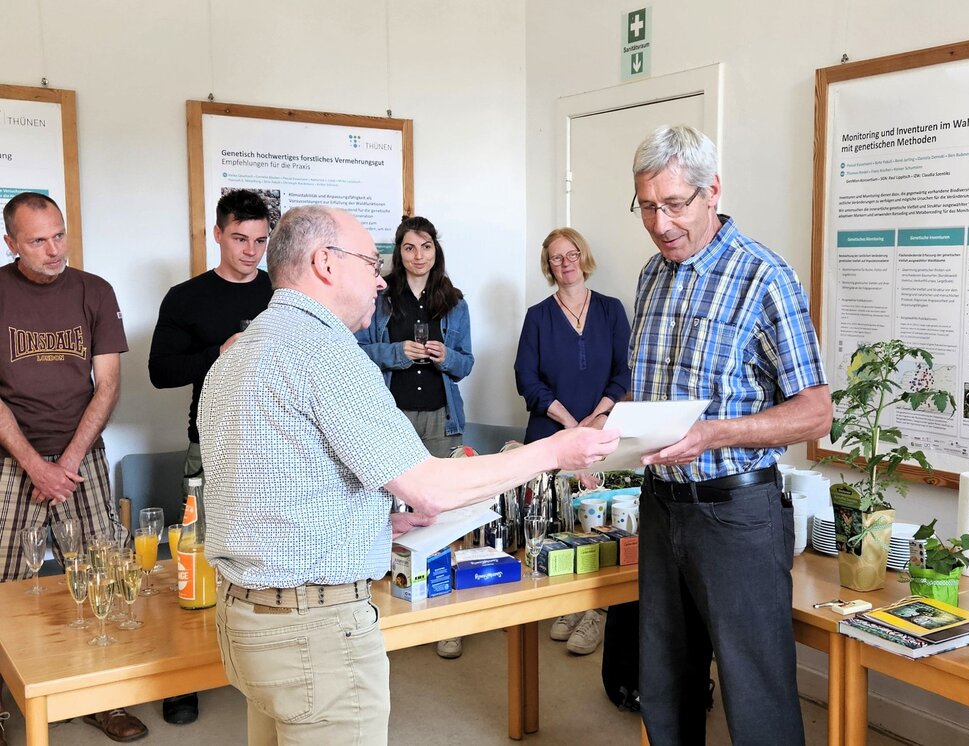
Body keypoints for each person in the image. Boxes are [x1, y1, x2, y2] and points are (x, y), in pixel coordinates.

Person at [198, 205, 619, 746]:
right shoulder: (327, 352)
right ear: (324, 263)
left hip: (247, 620)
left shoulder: (243, 349)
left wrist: (371, 519)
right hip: (314, 632)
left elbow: (275, 487)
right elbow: (432, 487)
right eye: (371, 263)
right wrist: (556, 450)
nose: (380, 279)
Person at [627, 125, 831, 745]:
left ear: (712, 190)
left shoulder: (766, 278)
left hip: (737, 515)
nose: (660, 224)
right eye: (646, 207)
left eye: (674, 204)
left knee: (755, 696)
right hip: (661, 509)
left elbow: (816, 413)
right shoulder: (650, 277)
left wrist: (716, 433)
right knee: (664, 689)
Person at [0, 192, 148, 744]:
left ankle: (103, 700)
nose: (53, 249)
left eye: (59, 235)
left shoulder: (94, 291)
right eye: (38, 240)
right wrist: (35, 465)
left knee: (99, 576)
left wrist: (64, 462)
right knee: (7, 587)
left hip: (79, 458)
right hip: (11, 459)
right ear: (11, 242)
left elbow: (107, 385)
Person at [148, 188, 273, 725]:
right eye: (240, 239)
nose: (251, 251)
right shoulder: (186, 297)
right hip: (213, 441)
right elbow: (160, 371)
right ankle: (184, 680)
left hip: (275, 442)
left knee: (268, 558)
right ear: (217, 234)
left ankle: (263, 667)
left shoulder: (283, 289)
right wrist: (217, 353)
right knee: (199, 558)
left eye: (261, 241)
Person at [355, 215, 473, 659]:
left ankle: (447, 617)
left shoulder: (455, 303)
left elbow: (467, 364)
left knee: (441, 513)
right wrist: (396, 353)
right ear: (398, 253)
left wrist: (447, 357)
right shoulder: (381, 298)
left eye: (426, 247)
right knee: (384, 510)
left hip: (442, 418)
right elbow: (359, 352)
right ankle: (385, 613)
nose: (418, 255)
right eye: (409, 247)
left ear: (435, 251)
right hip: (392, 415)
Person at [514, 227, 631, 655]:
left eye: (571, 254)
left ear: (584, 256)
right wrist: (568, 423)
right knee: (561, 528)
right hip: (551, 437)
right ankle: (567, 605)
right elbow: (526, 379)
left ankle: (595, 614)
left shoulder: (611, 311)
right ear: (549, 267)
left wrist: (596, 418)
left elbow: (624, 372)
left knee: (602, 527)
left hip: (602, 435)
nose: (565, 263)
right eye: (556, 258)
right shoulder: (538, 317)